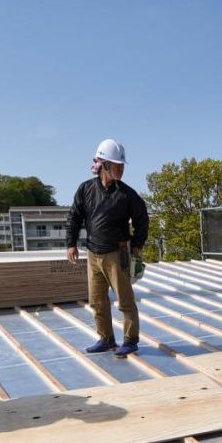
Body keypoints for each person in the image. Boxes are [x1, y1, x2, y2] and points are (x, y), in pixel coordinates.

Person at [65, 139, 149, 358]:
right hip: (93, 254)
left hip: (117, 254)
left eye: (122, 166)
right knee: (97, 300)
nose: (121, 169)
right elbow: (74, 217)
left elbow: (142, 218)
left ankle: (130, 340)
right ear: (102, 164)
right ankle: (106, 338)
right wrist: (71, 244)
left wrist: (137, 244)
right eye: (116, 166)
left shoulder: (126, 194)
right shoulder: (86, 189)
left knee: (125, 300)